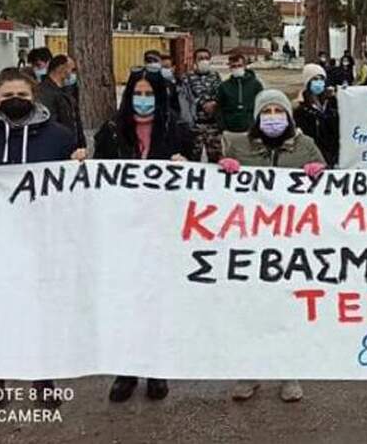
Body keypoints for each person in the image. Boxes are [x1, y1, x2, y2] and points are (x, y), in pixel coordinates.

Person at [0, 67, 85, 412]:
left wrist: (78, 164)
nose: (16, 101)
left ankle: (44, 380)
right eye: (8, 96)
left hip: (45, 240)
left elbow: (77, 191)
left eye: (22, 95)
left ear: (34, 97)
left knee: (43, 310)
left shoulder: (59, 136)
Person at [219, 88, 326, 404]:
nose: (273, 117)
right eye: (266, 112)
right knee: (250, 311)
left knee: (287, 310)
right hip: (250, 244)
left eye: (279, 111)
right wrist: (222, 172)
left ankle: (288, 372)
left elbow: (329, 190)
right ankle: (249, 372)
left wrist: (320, 173)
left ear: (289, 117)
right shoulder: (239, 146)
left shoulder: (305, 146)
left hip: (292, 245)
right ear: (257, 117)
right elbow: (219, 194)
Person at [93, 71, 194, 404]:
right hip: (122, 230)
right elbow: (97, 177)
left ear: (160, 97)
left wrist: (186, 165)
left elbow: (197, 180)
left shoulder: (177, 130)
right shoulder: (111, 131)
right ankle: (126, 370)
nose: (144, 99)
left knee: (158, 301)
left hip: (164, 230)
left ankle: (156, 368)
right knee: (125, 301)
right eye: (138, 93)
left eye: (150, 94)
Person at [182, 48, 224, 162]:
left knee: (216, 158)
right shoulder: (187, 77)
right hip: (195, 125)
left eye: (206, 58)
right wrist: (202, 104)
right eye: (201, 58)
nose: (204, 61)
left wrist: (214, 103)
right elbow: (186, 97)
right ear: (195, 61)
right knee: (192, 157)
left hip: (213, 125)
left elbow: (221, 94)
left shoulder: (215, 76)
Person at [36, 55, 86, 149]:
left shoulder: (65, 91)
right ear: (61, 68)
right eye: (72, 69)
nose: (73, 74)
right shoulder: (45, 92)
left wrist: (81, 145)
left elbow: (75, 120)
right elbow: (50, 122)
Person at [294, 64, 339, 167]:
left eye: (321, 79)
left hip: (333, 156)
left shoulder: (331, 102)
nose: (319, 82)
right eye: (315, 79)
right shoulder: (301, 108)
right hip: (314, 157)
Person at [216, 52, 264, 134]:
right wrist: (222, 127)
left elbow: (261, 105)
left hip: (251, 128)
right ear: (230, 67)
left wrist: (257, 125)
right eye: (233, 66)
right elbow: (219, 108)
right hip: (229, 129)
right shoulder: (224, 86)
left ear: (244, 66)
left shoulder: (256, 84)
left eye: (239, 65)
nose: (237, 68)